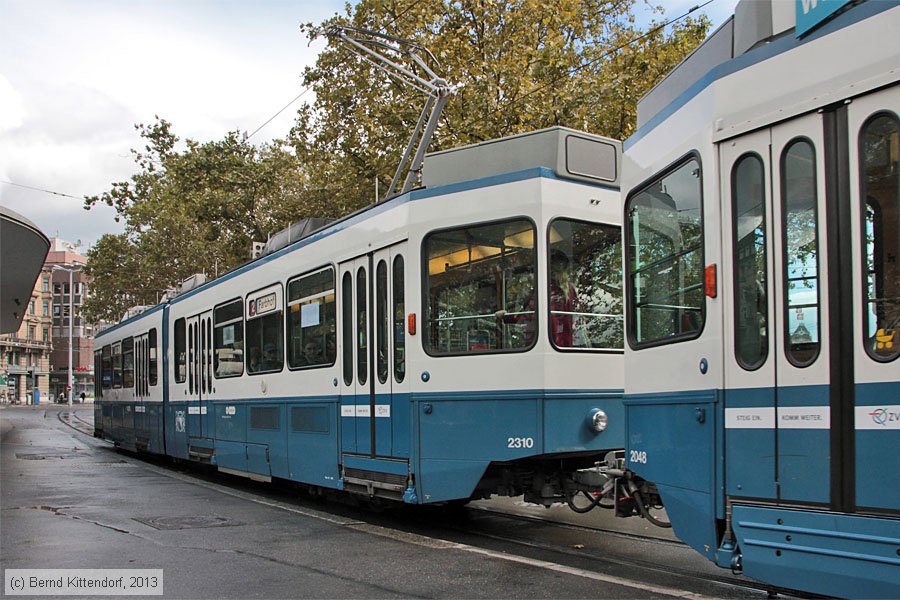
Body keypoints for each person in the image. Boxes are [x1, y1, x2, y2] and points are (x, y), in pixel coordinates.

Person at [549, 250, 580, 347]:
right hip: (568, 339)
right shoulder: (570, 289)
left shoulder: (548, 288)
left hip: (557, 339)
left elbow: (527, 315)